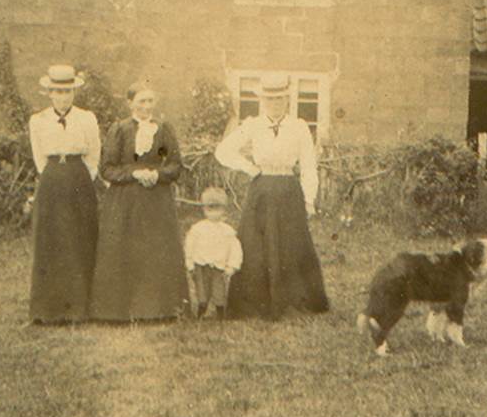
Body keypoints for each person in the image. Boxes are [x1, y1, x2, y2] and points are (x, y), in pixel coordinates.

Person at [214, 73, 329, 319]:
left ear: (288, 100)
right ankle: (255, 301)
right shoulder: (254, 125)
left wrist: (309, 199)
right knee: (255, 244)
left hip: (289, 189)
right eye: (270, 99)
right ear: (263, 101)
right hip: (262, 189)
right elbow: (223, 151)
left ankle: (293, 299)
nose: (275, 104)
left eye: (280, 99)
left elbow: (309, 165)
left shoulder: (299, 127)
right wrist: (250, 168)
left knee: (291, 243)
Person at [88, 81, 189, 322]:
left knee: (156, 250)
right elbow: (107, 169)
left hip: (157, 201)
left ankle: (159, 310)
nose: (146, 106)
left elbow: (175, 165)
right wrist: (133, 174)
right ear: (130, 103)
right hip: (126, 202)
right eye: (141, 101)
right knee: (124, 250)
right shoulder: (120, 129)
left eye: (150, 101)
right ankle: (118, 311)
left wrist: (157, 175)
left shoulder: (163, 129)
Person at [28, 64, 102, 324]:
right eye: (58, 92)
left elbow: (94, 154)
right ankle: (47, 310)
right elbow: (38, 157)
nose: (63, 97)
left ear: (74, 92)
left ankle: (78, 309)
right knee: (50, 241)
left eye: (68, 91)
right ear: (49, 93)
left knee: (79, 238)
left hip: (78, 177)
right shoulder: (38, 120)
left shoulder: (87, 118)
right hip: (51, 180)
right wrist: (52, 177)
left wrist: (81, 177)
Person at [183, 187, 243, 320]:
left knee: (219, 292)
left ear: (223, 210)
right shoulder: (198, 229)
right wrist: (190, 262)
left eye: (218, 209)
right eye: (210, 210)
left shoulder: (227, 231)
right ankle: (200, 312)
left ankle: (220, 314)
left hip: (218, 268)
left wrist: (232, 266)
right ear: (204, 210)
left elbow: (235, 250)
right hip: (201, 266)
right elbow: (190, 246)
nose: (213, 214)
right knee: (202, 292)